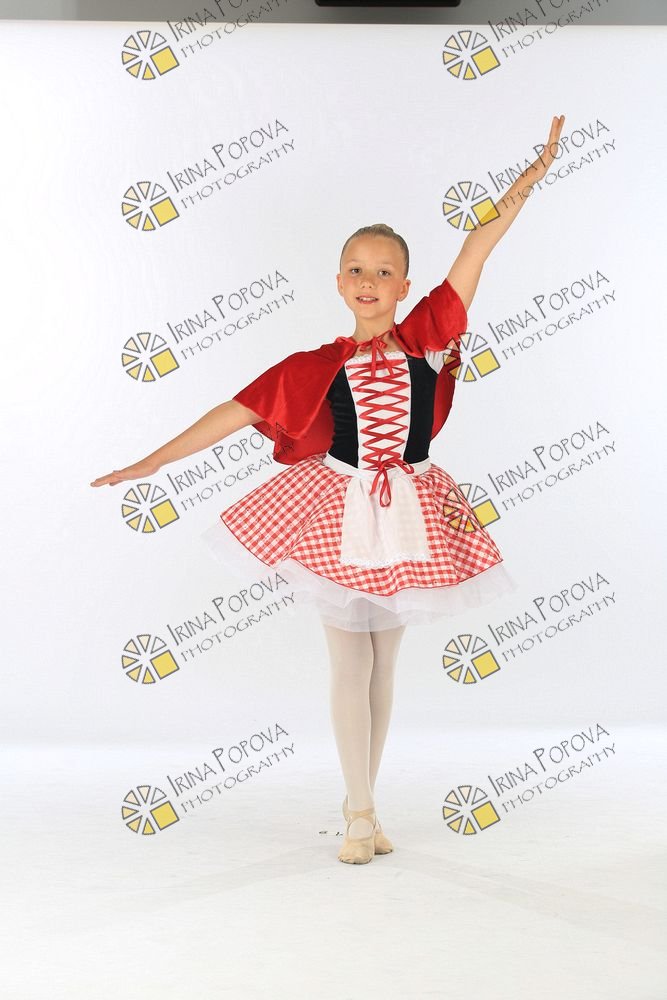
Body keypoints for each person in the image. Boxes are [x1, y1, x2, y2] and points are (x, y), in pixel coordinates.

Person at [91, 114, 566, 865]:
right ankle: (358, 812)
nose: (368, 282)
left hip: (411, 511)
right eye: (355, 269)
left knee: (384, 664)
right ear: (339, 281)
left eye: (384, 271)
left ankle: (364, 807)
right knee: (349, 661)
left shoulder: (428, 337)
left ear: (404, 286)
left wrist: (526, 183)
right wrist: (152, 462)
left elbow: (478, 246)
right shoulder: (316, 364)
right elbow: (234, 411)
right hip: (336, 507)